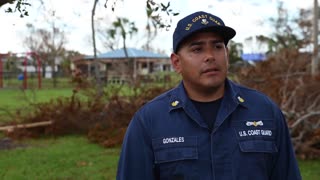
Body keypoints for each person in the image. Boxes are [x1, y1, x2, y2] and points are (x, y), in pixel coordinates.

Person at [116, 11, 302, 180]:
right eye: (197, 49)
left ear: (227, 54)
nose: (210, 56)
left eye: (217, 46)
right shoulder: (149, 120)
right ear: (176, 63)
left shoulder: (264, 111)